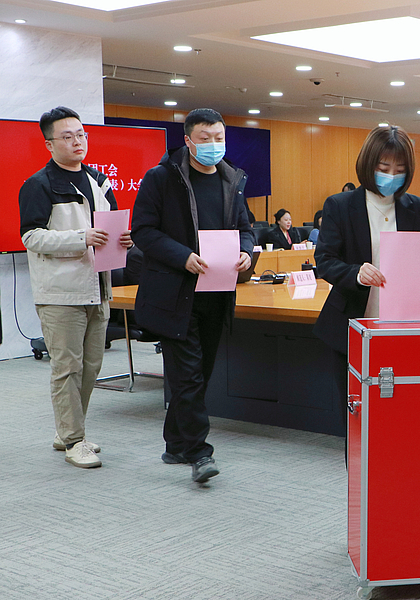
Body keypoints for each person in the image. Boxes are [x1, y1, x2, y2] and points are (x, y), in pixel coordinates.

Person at [131, 108, 254, 483]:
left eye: (219, 138)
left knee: (199, 374)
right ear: (187, 140)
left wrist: (247, 252)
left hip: (216, 293)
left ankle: (176, 444)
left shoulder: (231, 179)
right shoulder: (161, 178)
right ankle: (200, 453)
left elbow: (246, 228)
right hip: (174, 294)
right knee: (187, 378)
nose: (213, 145)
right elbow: (143, 231)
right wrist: (182, 257)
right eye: (205, 138)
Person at [314, 125, 420, 439]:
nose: (391, 175)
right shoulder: (340, 205)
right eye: (384, 168)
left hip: (403, 327)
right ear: (369, 164)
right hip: (352, 326)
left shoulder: (417, 208)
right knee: (357, 417)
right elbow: (324, 261)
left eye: (400, 170)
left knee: (399, 414)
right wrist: (356, 273)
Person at [19, 106, 133, 469]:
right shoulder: (39, 184)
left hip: (98, 287)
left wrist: (123, 239)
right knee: (67, 368)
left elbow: (110, 226)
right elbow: (31, 237)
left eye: (81, 134)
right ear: (49, 144)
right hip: (61, 292)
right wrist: (80, 237)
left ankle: (68, 430)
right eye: (67, 136)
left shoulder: (99, 180)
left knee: (91, 367)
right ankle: (73, 440)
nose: (77, 141)